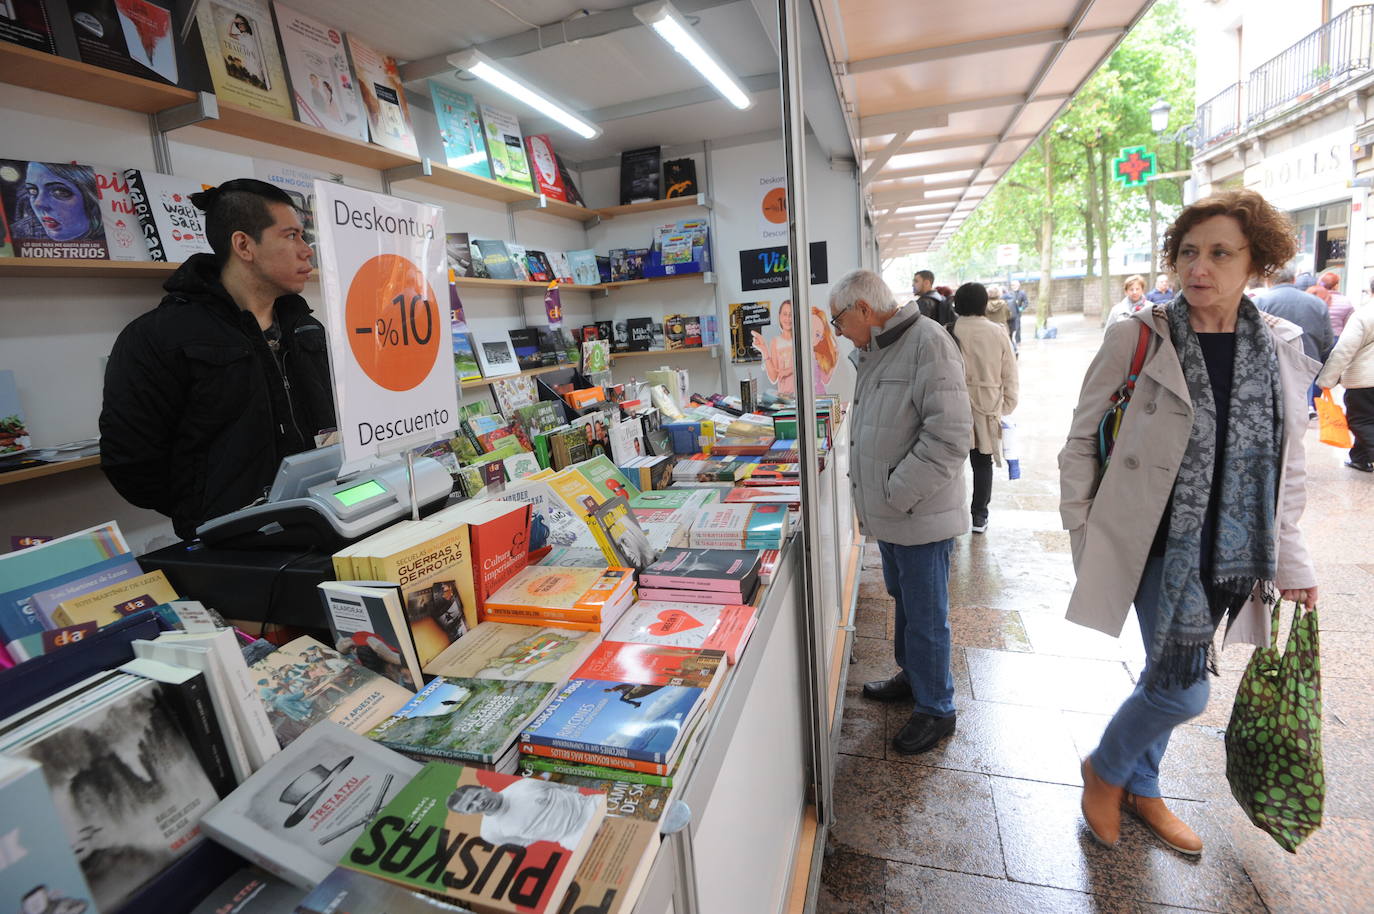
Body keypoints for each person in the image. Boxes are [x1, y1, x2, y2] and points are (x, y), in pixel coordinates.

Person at [1060, 189, 1318, 856]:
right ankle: (1106, 768)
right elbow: (1081, 439)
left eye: (1220, 253)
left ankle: (1142, 788)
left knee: (1164, 670)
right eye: (1188, 253)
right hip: (1152, 544)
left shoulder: (1282, 347)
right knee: (1181, 690)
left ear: (1256, 262)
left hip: (1236, 549)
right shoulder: (1140, 336)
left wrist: (1294, 563)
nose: (1198, 267)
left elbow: (1288, 466)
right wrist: (1082, 531)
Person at [100, 179, 335, 540]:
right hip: (231, 545)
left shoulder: (306, 329)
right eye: (291, 236)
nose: (307, 250)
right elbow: (132, 462)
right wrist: (204, 507)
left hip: (325, 519)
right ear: (244, 245)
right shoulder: (159, 336)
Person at [830, 269, 972, 755]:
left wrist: (897, 491)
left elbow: (951, 436)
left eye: (839, 320)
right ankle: (914, 677)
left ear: (864, 310)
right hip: (894, 512)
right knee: (906, 601)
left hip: (917, 510)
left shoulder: (927, 343)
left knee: (928, 613)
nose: (838, 330)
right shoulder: (880, 348)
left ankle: (938, 709)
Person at [952, 283, 1019, 533]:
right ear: (983, 304)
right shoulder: (998, 332)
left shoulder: (949, 330)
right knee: (982, 461)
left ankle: (952, 514)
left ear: (957, 304)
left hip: (954, 402)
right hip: (987, 403)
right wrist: (1008, 404)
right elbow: (1009, 373)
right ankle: (979, 516)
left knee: (950, 462)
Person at [1256, 266, 1334, 415]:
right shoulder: (1318, 303)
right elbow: (1328, 340)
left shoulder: (1259, 301)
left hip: (1271, 365)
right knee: (1299, 413)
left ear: (1269, 281)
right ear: (1293, 280)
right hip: (1307, 363)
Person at [447, 779, 600, 848]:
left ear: (485, 788)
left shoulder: (523, 785)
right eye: (469, 806)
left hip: (591, 806)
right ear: (466, 814)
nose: (479, 803)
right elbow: (524, 844)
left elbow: (568, 787)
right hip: (574, 838)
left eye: (476, 796)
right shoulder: (489, 833)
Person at [1316, 296, 1374, 472]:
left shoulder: (1365, 314)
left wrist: (1326, 379)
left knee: (1361, 420)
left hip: (1365, 379)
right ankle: (1360, 458)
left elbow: (1344, 350)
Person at [1319, 271, 1354, 337]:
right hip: (1337, 338)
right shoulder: (1346, 302)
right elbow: (1349, 325)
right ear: (1336, 285)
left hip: (1317, 338)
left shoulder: (1315, 299)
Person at [1005, 279, 1028, 345]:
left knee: (1017, 328)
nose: (1013, 286)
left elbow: (1026, 302)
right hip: (1010, 313)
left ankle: (1018, 341)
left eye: (1014, 285)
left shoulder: (1022, 293)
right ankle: (1010, 341)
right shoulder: (1009, 293)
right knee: (1010, 328)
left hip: (1017, 313)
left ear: (1018, 285)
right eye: (1012, 285)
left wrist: (1022, 308)